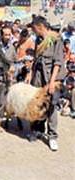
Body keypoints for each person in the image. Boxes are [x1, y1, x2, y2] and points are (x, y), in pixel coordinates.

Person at [30, 16, 66, 151]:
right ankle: (37, 129)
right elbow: (35, 59)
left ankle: (52, 136)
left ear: (40, 27)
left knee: (51, 106)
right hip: (38, 76)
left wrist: (52, 83)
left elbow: (58, 62)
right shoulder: (38, 40)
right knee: (37, 103)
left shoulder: (56, 39)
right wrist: (30, 76)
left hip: (51, 77)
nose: (33, 32)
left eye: (34, 29)